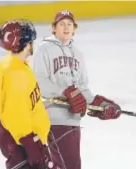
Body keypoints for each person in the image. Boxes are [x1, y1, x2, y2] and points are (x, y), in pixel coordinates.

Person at [32, 10, 121, 169]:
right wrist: (64, 91)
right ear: (53, 28)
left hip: (73, 118)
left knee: (67, 165)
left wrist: (100, 105)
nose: (66, 27)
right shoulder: (44, 49)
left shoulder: (78, 54)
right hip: (53, 118)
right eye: (61, 24)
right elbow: (39, 82)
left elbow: (82, 88)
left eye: (69, 24)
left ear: (75, 29)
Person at [0, 19, 61, 169]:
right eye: (31, 41)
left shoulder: (12, 64)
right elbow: (16, 112)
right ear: (26, 45)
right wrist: (31, 143)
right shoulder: (16, 73)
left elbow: (13, 102)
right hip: (24, 144)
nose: (33, 44)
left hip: (24, 140)